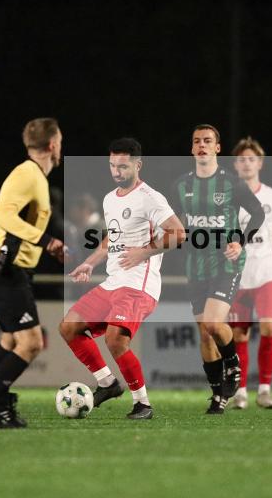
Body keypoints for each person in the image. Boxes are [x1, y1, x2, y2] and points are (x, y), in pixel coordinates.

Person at [60, 138, 186, 420]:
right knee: (70, 326)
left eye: (123, 166)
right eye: (112, 165)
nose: (116, 171)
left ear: (138, 165)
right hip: (113, 282)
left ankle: (143, 404)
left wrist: (144, 252)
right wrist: (89, 263)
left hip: (139, 284)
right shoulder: (108, 199)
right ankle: (107, 383)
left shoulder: (150, 197)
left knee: (116, 340)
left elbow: (178, 233)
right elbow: (110, 239)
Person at [0, 118, 66, 430]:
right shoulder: (29, 174)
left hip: (15, 269)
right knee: (32, 342)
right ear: (51, 145)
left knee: (10, 339)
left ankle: (1, 409)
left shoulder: (34, 177)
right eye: (59, 142)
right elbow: (1, 215)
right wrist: (47, 241)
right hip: (5, 270)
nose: (60, 147)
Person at [171, 124, 266, 414]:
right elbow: (176, 224)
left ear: (217, 148)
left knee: (213, 323)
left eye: (207, 141)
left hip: (226, 263)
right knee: (204, 333)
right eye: (197, 141)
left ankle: (233, 365)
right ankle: (218, 396)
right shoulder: (181, 185)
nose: (202, 145)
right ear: (191, 148)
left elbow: (259, 213)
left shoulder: (231, 183)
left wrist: (241, 241)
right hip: (195, 265)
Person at [227, 137, 272, 410]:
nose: (247, 163)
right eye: (242, 159)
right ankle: (241, 392)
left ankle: (265, 390)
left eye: (251, 159)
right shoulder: (227, 198)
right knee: (239, 335)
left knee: (270, 326)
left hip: (268, 270)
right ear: (235, 165)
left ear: (260, 163)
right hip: (237, 273)